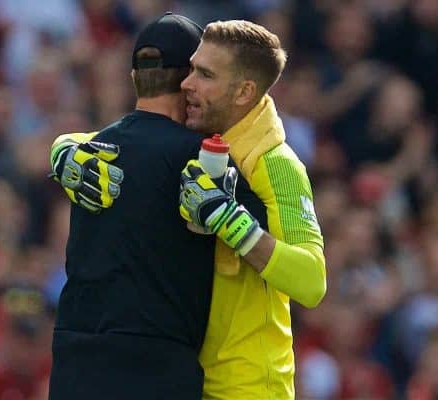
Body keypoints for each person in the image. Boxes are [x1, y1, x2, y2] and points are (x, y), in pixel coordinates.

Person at [53, 18, 327, 400]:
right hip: (186, 379)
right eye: (191, 68)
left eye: (205, 74)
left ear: (244, 91)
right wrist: (65, 149)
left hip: (245, 387)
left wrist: (233, 223)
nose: (186, 83)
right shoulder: (201, 138)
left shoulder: (275, 163)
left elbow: (311, 282)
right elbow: (136, 135)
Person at [47, 13, 219, 399]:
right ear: (188, 81)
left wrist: (59, 148)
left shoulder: (87, 152)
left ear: (134, 78)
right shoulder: (201, 158)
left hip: (77, 360)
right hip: (156, 362)